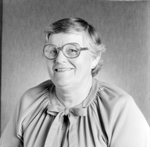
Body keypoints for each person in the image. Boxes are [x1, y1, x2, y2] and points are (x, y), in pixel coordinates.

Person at [0, 17, 150, 147]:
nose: (59, 59)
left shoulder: (120, 108)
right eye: (53, 51)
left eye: (72, 50)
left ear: (94, 58)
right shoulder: (29, 101)